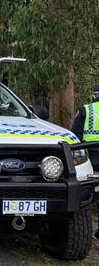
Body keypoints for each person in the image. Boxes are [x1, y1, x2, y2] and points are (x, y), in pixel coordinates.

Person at [70, 84, 99, 239]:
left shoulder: (86, 110)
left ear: (93, 95)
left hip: (93, 155)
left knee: (90, 191)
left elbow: (75, 136)